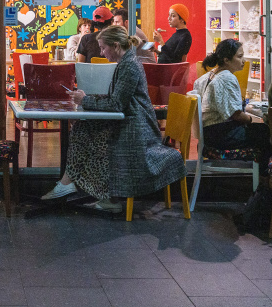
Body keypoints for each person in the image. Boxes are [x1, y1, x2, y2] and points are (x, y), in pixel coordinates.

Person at [42, 25, 187, 212]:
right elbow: (118, 99)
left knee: (86, 133)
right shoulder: (127, 63)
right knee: (83, 130)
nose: (101, 53)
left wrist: (86, 99)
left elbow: (117, 104)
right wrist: (87, 99)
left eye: (103, 48)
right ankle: (82, 187)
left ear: (117, 46)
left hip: (136, 129)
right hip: (132, 123)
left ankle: (80, 187)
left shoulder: (129, 66)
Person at [192, 39, 271, 168]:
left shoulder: (205, 77)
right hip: (221, 136)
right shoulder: (227, 78)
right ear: (226, 60)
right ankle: (264, 178)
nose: (244, 61)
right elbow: (236, 115)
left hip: (207, 134)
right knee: (265, 132)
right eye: (239, 57)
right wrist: (253, 119)